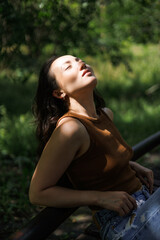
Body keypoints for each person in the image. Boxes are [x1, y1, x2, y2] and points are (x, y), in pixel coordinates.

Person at [29, 55, 160, 240]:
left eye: (79, 60)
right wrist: (99, 198)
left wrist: (127, 165)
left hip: (145, 202)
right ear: (59, 93)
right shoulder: (71, 128)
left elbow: (93, 162)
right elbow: (37, 193)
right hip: (122, 222)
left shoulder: (105, 115)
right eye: (68, 67)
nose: (80, 63)